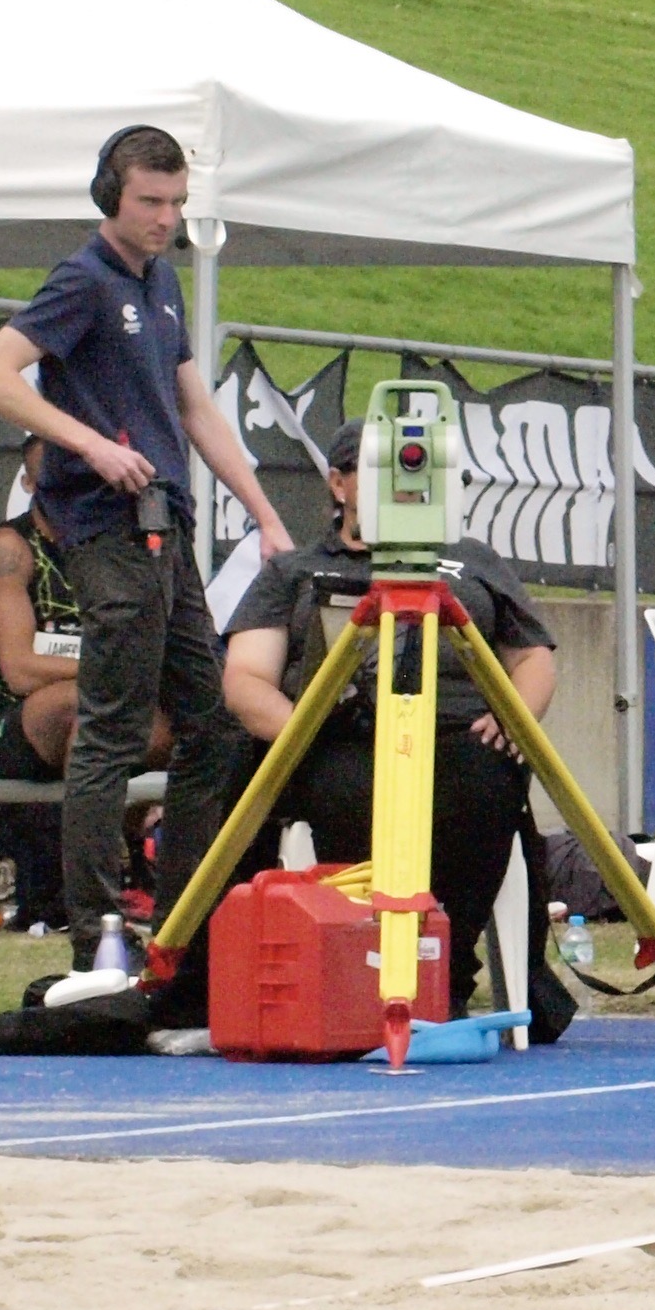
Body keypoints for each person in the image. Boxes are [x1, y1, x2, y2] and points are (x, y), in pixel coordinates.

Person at [0, 124, 293, 970]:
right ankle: (96, 935)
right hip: (111, 527)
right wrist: (91, 445)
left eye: (178, 203)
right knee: (110, 728)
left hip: (165, 526)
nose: (165, 217)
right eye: (150, 201)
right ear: (110, 195)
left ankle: (180, 922)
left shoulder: (165, 279)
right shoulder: (81, 279)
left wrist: (263, 511)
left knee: (213, 723)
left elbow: (195, 407)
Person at [222, 419, 556, 1014]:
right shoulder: (295, 572)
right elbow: (245, 681)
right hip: (344, 736)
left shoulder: (473, 562)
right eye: (382, 474)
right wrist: (305, 730)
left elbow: (532, 655)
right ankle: (364, 972)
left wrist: (516, 718)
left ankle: (443, 972)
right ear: (339, 485)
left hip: (462, 735)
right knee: (351, 788)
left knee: (485, 784)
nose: (405, 488)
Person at [0, 441, 172, 786]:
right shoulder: (8, 550)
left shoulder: (115, 549)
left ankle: (140, 832)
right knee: (85, 705)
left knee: (195, 718)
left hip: (104, 700)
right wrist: (119, 671)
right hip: (1, 723)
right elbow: (20, 672)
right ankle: (83, 834)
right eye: (52, 481)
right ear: (29, 485)